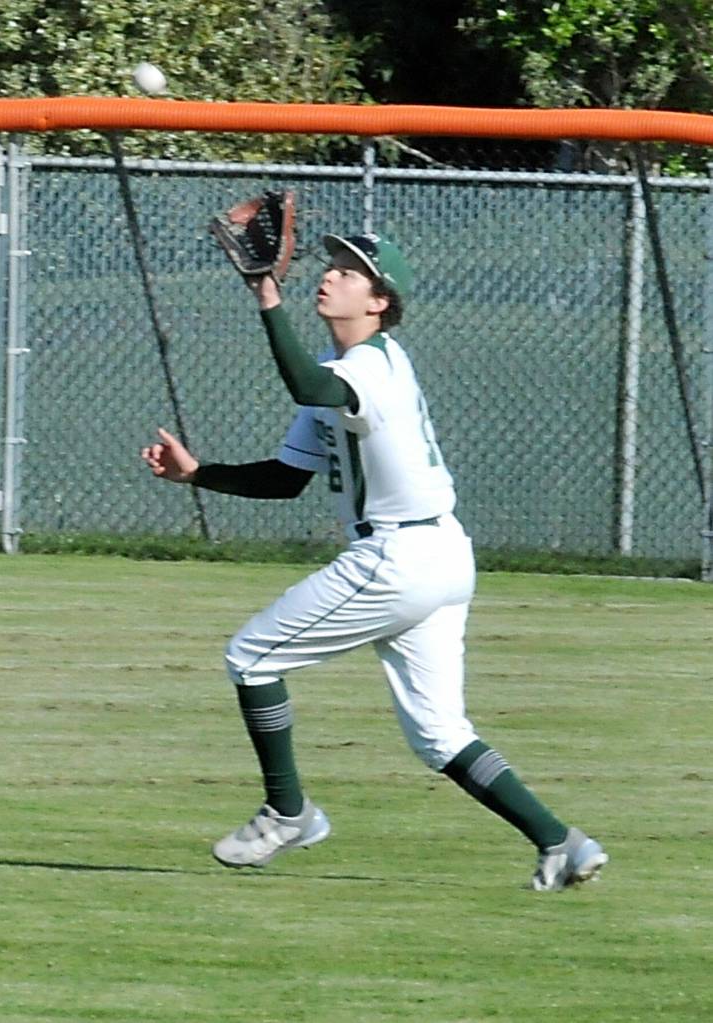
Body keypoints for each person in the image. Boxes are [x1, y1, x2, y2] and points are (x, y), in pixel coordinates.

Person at [141, 231, 608, 891]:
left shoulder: (370, 367)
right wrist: (198, 474)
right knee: (439, 736)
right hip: (442, 554)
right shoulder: (341, 378)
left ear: (380, 300)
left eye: (350, 273)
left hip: (401, 554)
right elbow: (284, 478)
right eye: (331, 266)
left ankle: (288, 811)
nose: (330, 277)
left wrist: (265, 293)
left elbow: (304, 378)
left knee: (251, 657)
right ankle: (561, 842)